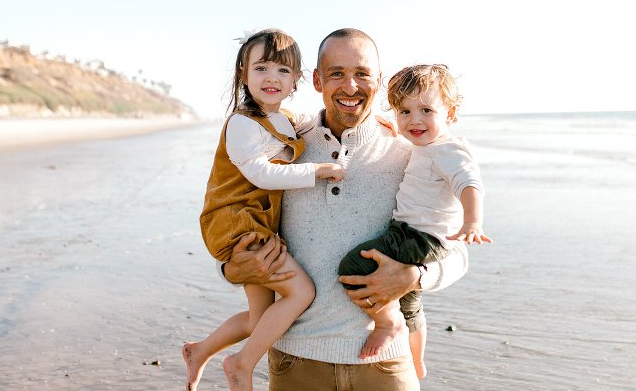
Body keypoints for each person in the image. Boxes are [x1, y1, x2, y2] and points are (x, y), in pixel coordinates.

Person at [221, 28, 470, 390]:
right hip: (296, 361)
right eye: (337, 73)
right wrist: (231, 268)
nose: (350, 86)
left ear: (379, 82)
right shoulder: (282, 151)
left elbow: (457, 249)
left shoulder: (413, 152)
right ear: (318, 80)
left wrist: (418, 276)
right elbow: (235, 219)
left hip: (386, 362)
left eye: (362, 74)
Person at [182, 29, 345, 391]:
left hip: (259, 224)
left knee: (261, 320)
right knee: (301, 293)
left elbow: (316, 121)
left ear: (297, 80)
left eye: (283, 71)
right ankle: (242, 364)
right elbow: (261, 173)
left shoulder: (283, 117)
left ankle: (200, 350)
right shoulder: (241, 123)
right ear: (243, 73)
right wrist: (315, 171)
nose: (272, 77)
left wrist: (378, 122)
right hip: (237, 223)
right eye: (262, 68)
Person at [338, 63, 490, 379]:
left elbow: (470, 183)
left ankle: (385, 323)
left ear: (450, 114)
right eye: (404, 112)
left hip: (420, 237)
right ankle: (417, 361)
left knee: (353, 266)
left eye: (425, 110)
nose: (414, 120)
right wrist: (389, 128)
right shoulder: (427, 146)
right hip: (417, 235)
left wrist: (473, 222)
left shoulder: (448, 150)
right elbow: (413, 141)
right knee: (410, 303)